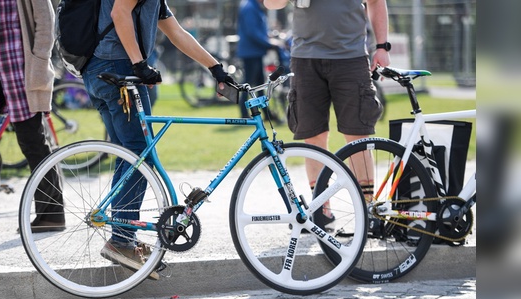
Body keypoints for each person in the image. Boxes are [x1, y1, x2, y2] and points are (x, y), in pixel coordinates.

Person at [82, 0, 234, 272]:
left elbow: (176, 32)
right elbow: (120, 12)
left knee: (129, 155)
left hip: (100, 69)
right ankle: (121, 240)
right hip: (118, 68)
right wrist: (139, 64)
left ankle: (124, 235)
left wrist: (215, 68)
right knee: (140, 156)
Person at [264, 0, 390, 222]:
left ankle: (368, 210)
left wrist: (382, 47)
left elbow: (376, 2)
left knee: (357, 135)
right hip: (305, 59)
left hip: (351, 58)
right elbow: (271, 3)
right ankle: (321, 210)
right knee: (313, 137)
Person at [0, 0, 65, 232]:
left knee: (31, 139)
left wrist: (40, 61)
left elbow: (46, 22)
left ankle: (51, 213)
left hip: (21, 68)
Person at [236, 0, 276, 120]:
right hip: (251, 52)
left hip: (255, 52)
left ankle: (266, 112)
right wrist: (268, 43)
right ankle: (244, 113)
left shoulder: (251, 5)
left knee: (259, 86)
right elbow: (252, 32)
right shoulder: (249, 7)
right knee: (248, 84)